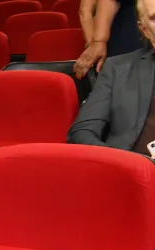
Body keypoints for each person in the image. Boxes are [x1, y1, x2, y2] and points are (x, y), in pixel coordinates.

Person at [69, 0, 155, 155]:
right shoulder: (117, 69)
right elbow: (82, 131)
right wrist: (117, 162)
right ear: (145, 30)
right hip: (129, 169)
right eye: (154, 18)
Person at [75, 0, 142, 79]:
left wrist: (95, 44)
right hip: (129, 40)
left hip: (122, 41)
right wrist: (98, 42)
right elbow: (85, 10)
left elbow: (85, 11)